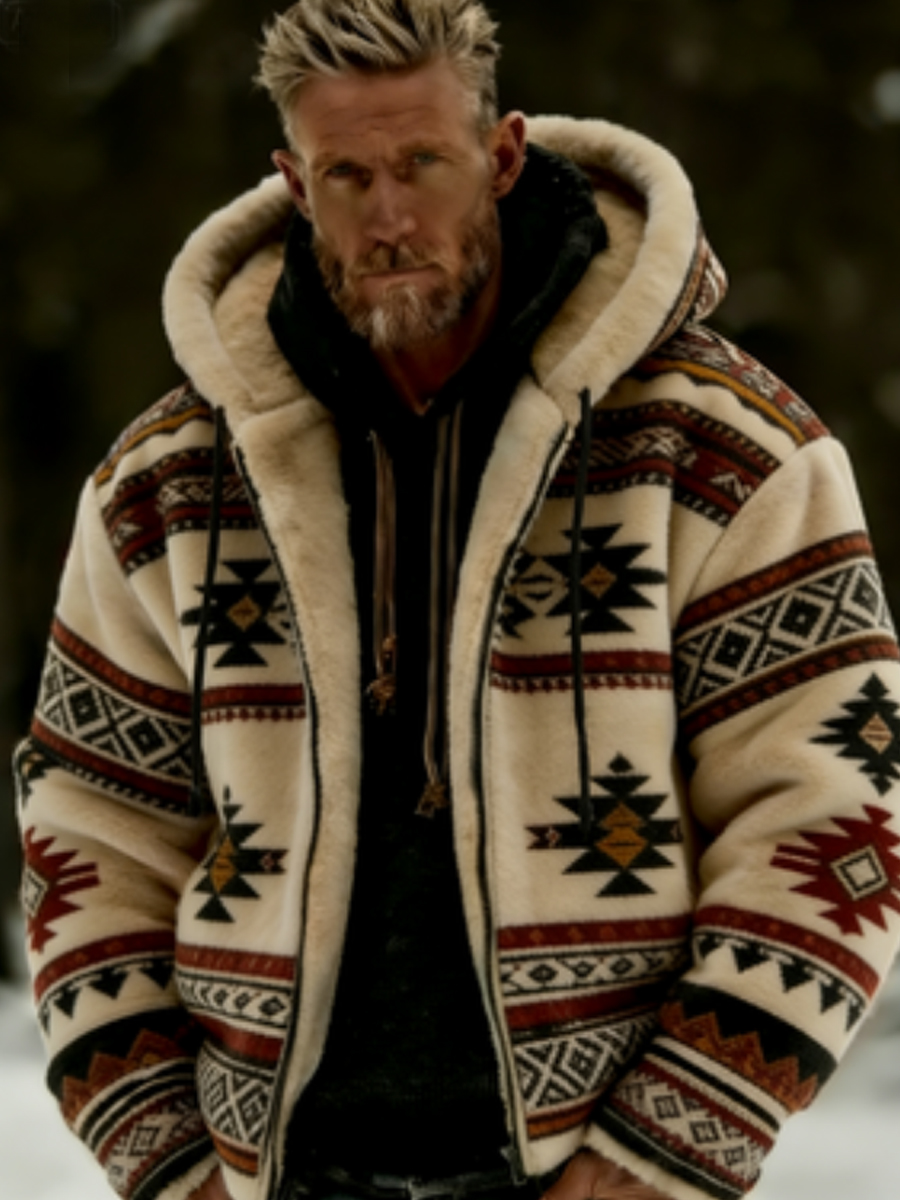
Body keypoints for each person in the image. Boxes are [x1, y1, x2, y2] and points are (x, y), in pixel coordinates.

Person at [14, 2, 900, 1199]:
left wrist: (670, 1144)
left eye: (423, 163)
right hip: (273, 1174)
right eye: (347, 175)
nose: (389, 218)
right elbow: (89, 825)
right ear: (294, 181)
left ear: (502, 153)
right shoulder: (167, 484)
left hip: (592, 1167)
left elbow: (835, 806)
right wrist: (165, 1158)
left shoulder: (723, 450)